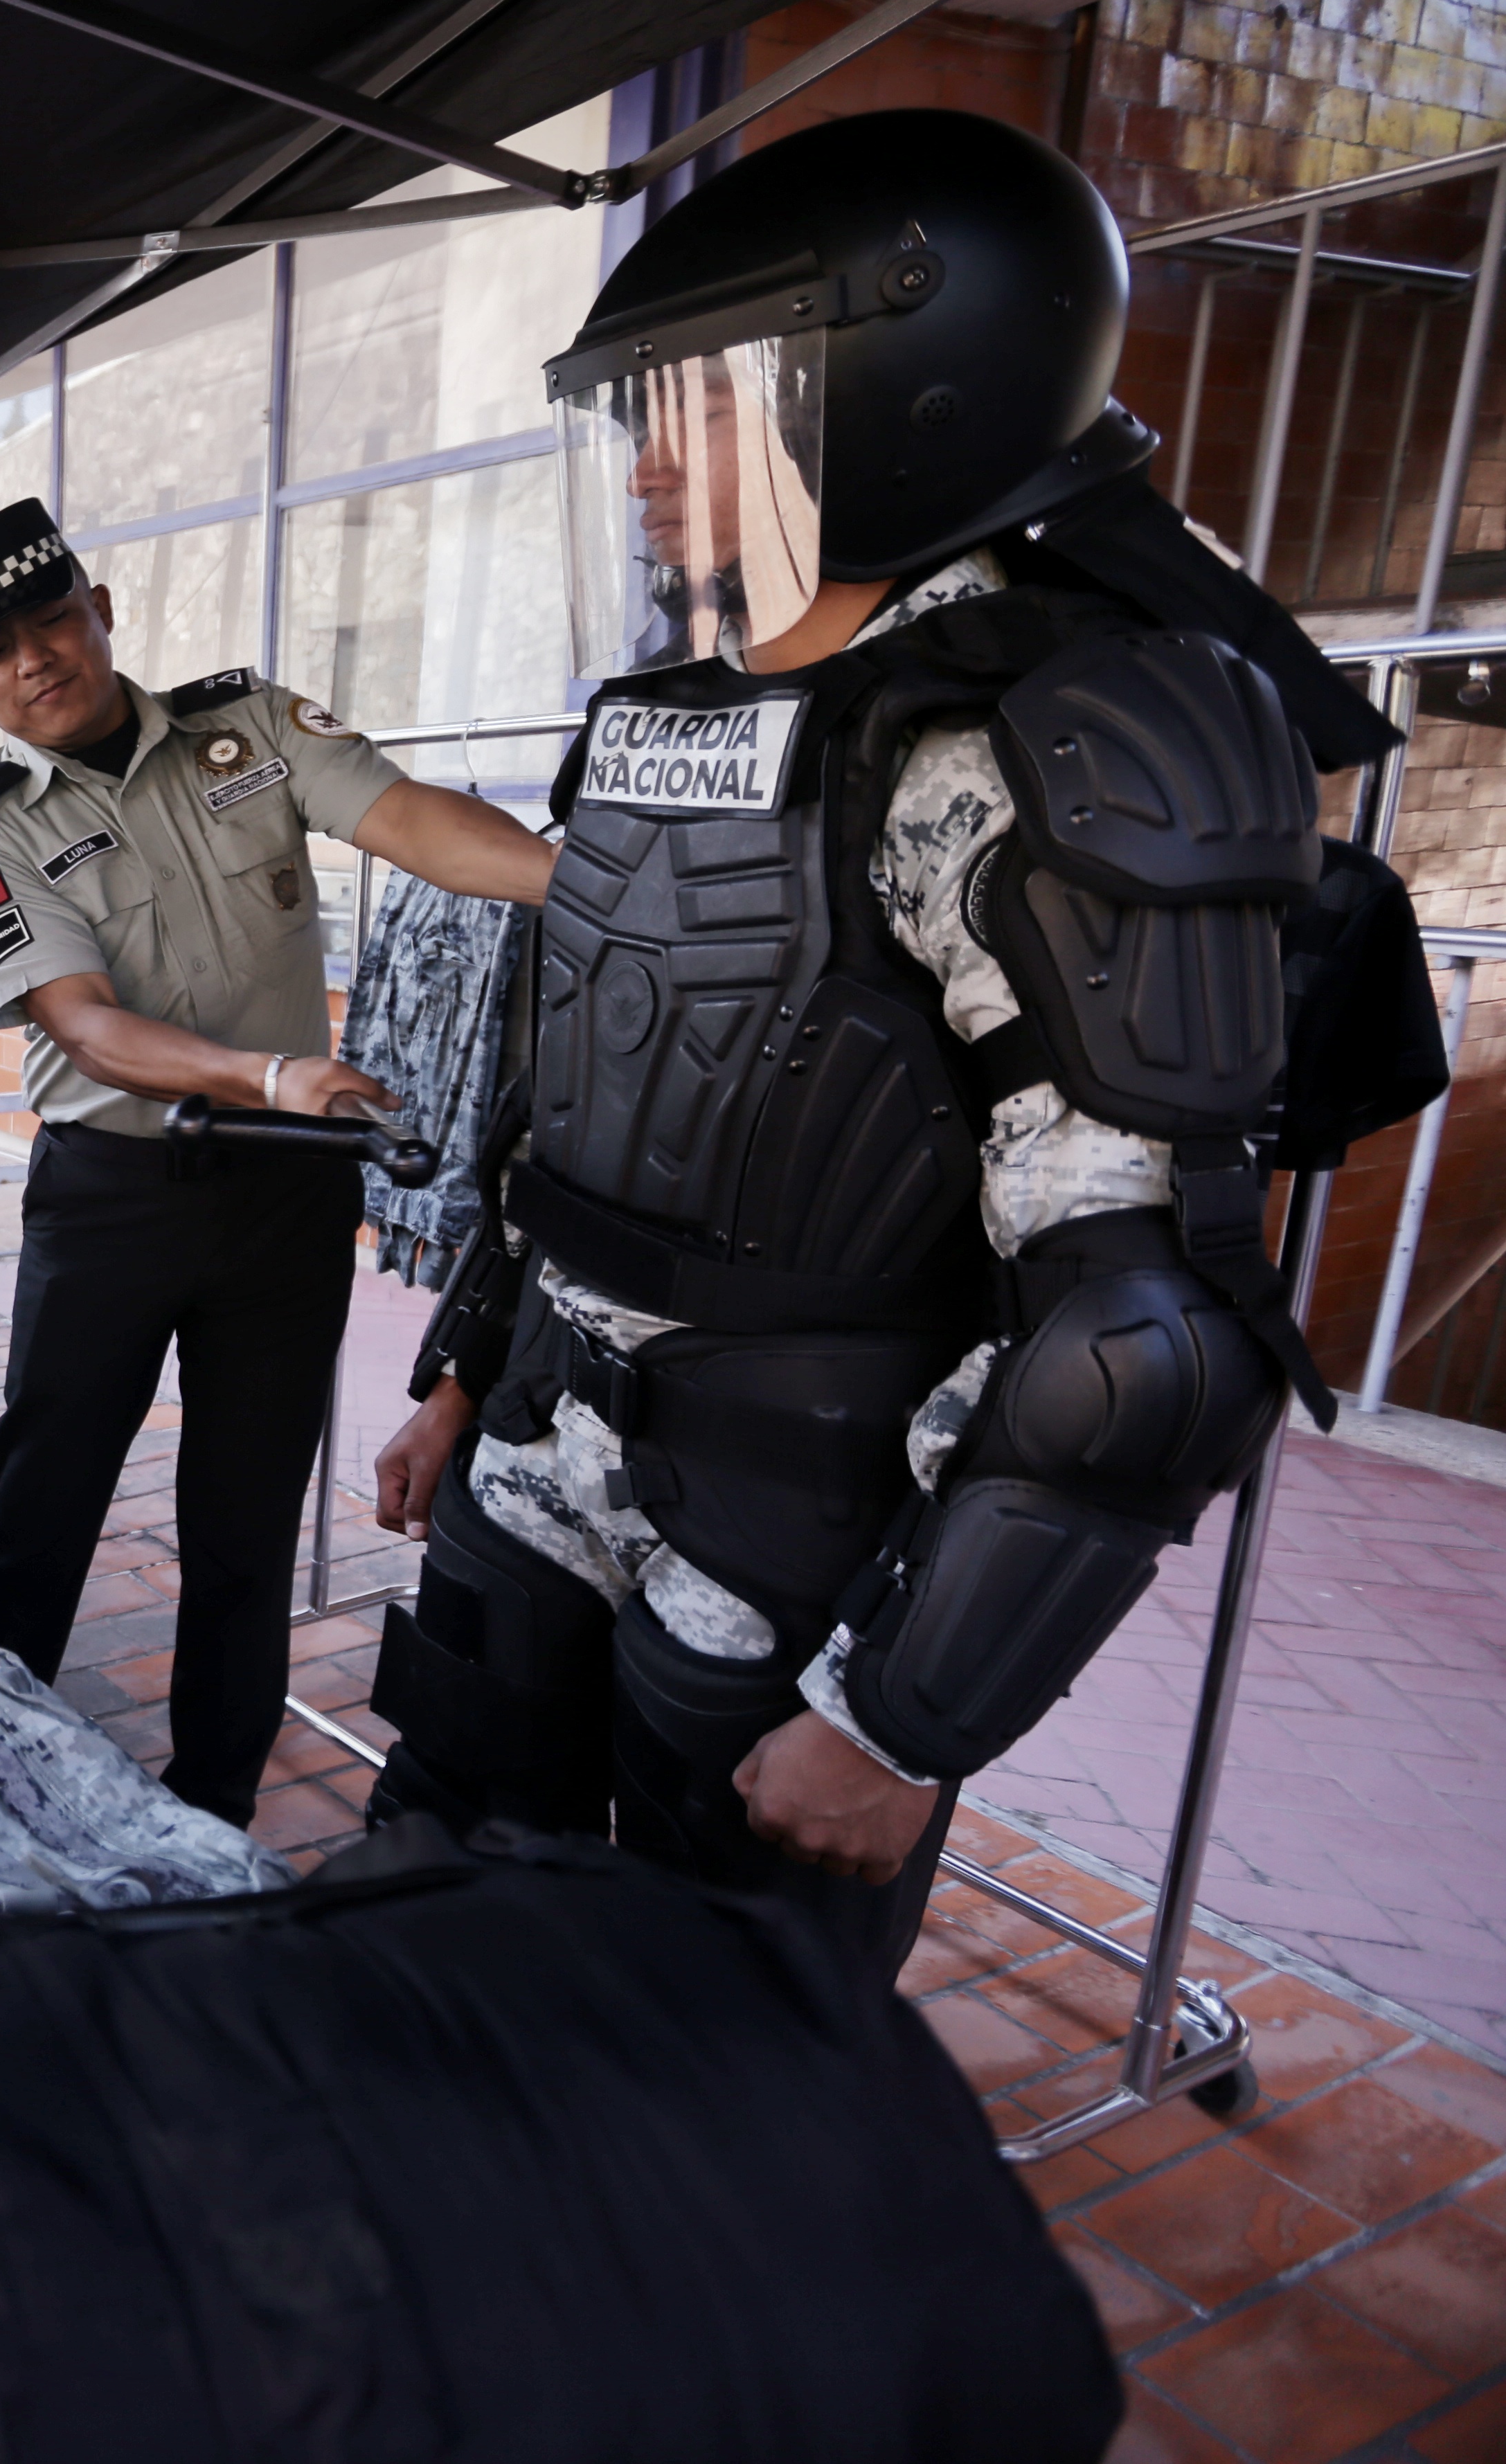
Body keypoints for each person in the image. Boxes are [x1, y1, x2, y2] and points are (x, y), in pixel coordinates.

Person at [364, 110, 1370, 1969]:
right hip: (536, 1451)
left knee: (713, 2057)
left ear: (905, 392)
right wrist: (459, 1374)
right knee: (435, 1924)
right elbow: (576, 1100)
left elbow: (1141, 1328)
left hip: (793, 1534)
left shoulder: (1034, 746)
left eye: (702, 405)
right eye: (637, 412)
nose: (646, 464)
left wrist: (903, 1716)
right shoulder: (658, 715)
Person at [0, 494, 555, 1826]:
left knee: (245, 1525)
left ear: (102, 612)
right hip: (112, 1200)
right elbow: (84, 1025)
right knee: (44, 1507)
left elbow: (411, 820)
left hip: (284, 1198)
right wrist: (269, 1076)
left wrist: (598, 885)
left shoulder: (247, 729)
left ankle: (211, 1811)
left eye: (53, 619)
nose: (36, 658)